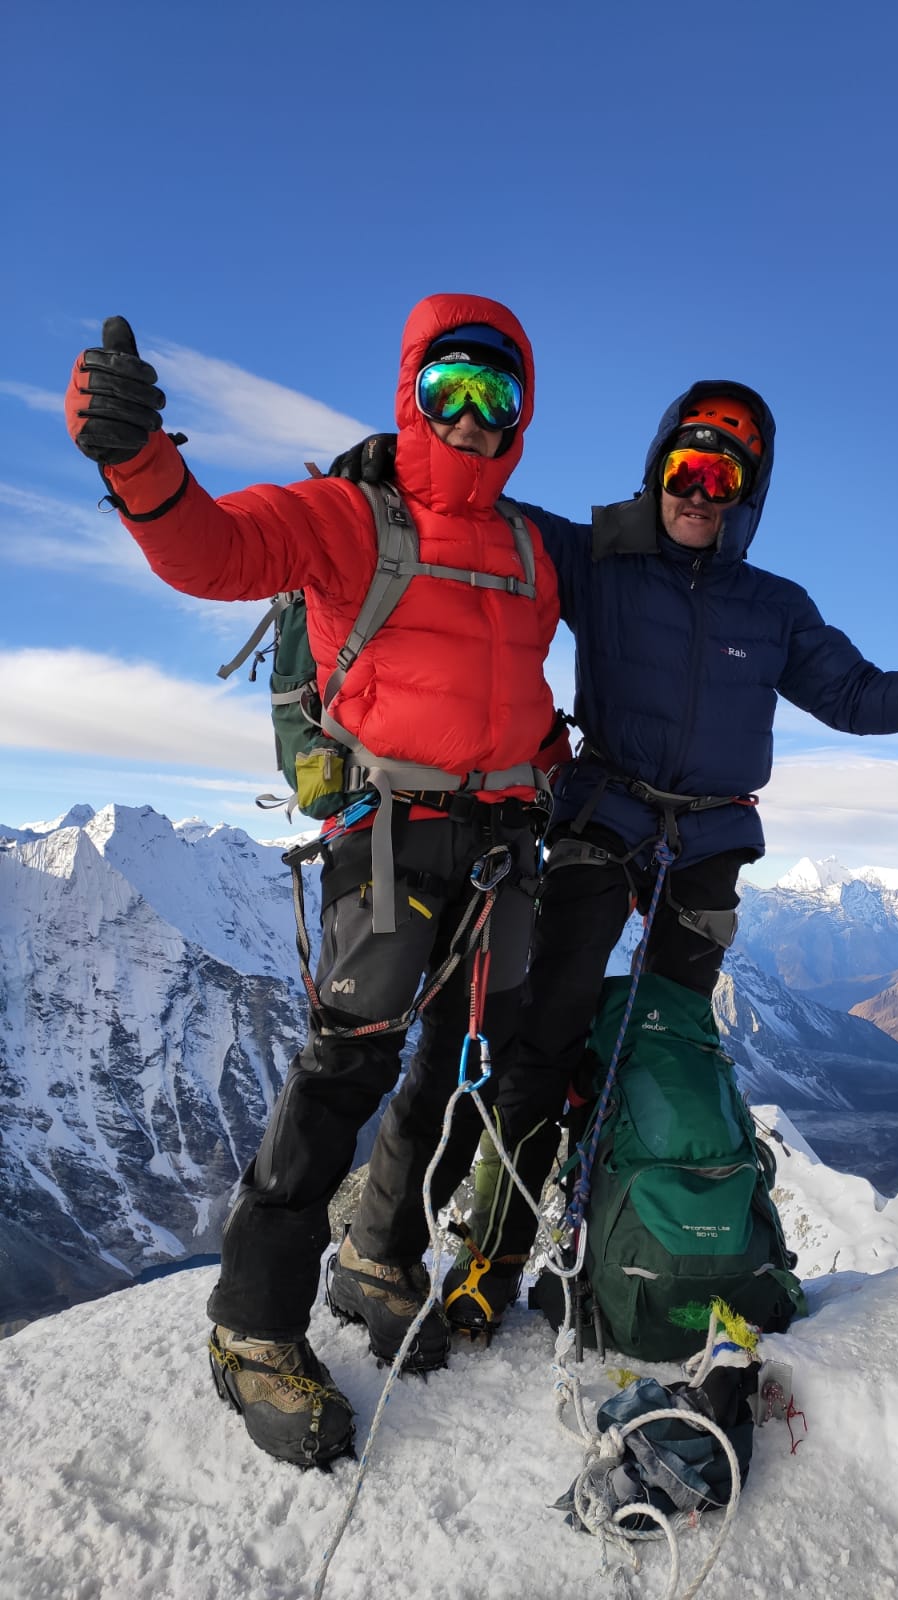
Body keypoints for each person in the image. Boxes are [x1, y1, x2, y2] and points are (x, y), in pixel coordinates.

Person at [331, 382, 898, 1332]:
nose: (699, 492)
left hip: (708, 845)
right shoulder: (595, 559)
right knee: (542, 1045)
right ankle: (487, 1263)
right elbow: (479, 518)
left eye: (723, 475)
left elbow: (857, 695)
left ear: (749, 494)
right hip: (603, 823)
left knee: (665, 1050)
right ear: (658, 469)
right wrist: (401, 474)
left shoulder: (775, 608)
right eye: (684, 469)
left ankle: (628, 1244)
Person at [65, 293, 567, 1469]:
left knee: (451, 1060)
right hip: (387, 840)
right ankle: (249, 1324)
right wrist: (137, 461)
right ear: (413, 394)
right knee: (344, 1067)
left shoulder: (537, 549)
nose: (474, 415)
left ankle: (377, 1252)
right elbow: (216, 551)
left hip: (501, 839)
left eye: (498, 395)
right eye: (451, 389)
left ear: (525, 414)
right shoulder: (350, 515)